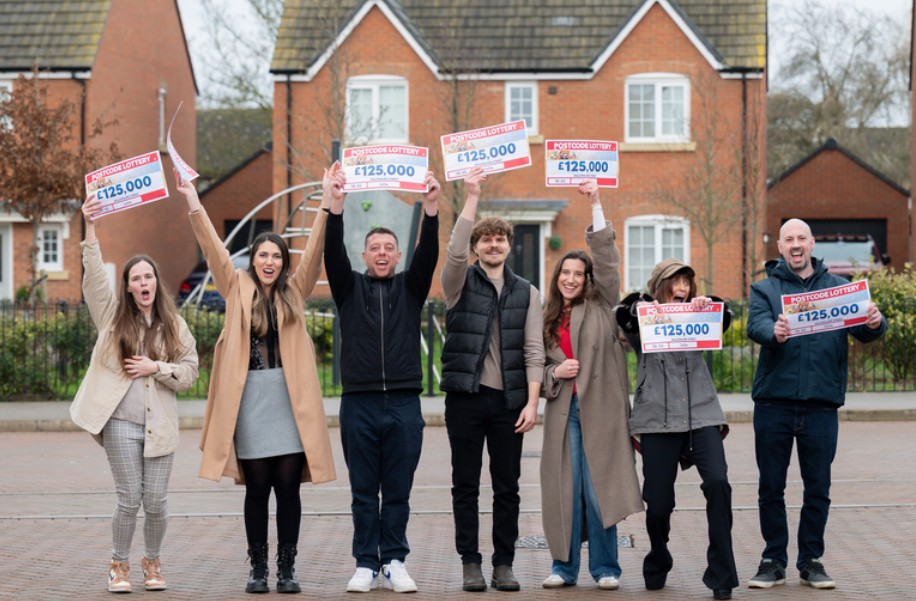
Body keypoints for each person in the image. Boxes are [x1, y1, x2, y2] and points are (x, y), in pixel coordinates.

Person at [174, 166, 336, 594]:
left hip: (289, 400)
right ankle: (258, 569)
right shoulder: (235, 286)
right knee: (257, 489)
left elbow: (316, 251)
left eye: (276, 256)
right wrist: (192, 198)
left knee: (288, 488)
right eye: (263, 255)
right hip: (250, 401)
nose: (269, 262)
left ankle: (287, 568)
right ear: (253, 259)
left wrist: (325, 202)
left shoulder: (295, 290)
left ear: (284, 262)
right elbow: (212, 247)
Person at [746, 218, 886, 590]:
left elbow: (865, 330)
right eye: (788, 239)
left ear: (812, 244)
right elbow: (755, 325)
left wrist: (875, 321)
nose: (795, 245)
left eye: (801, 239)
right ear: (779, 246)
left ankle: (811, 560)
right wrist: (772, 332)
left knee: (818, 488)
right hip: (774, 404)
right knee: (771, 487)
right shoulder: (764, 289)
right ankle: (773, 560)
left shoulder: (840, 289)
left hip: (821, 406)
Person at [70, 194, 199, 594]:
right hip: (121, 425)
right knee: (130, 499)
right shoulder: (111, 318)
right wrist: (90, 227)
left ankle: (152, 562)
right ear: (127, 287)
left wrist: (156, 367)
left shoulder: (173, 325)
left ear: (156, 283)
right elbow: (93, 278)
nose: (144, 283)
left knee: (156, 502)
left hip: (159, 427)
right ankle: (119, 565)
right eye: (136, 278)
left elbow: (191, 373)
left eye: (148, 277)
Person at [323, 166, 441, 593]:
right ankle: (364, 563)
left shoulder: (411, 288)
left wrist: (431, 209)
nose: (382, 253)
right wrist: (335, 205)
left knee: (397, 490)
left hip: (405, 404)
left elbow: (428, 253)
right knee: (361, 491)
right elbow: (330, 252)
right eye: (375, 247)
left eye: (390, 247)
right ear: (364, 255)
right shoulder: (348, 288)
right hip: (359, 404)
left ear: (397, 255)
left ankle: (393, 560)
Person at [440, 167, 545, 592]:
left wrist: (532, 403)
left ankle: (504, 563)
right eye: (486, 238)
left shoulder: (528, 292)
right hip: (465, 397)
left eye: (500, 238)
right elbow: (453, 253)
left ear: (509, 245)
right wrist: (472, 197)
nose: (494, 244)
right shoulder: (459, 281)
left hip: (509, 404)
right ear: (477, 246)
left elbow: (535, 350)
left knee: (508, 488)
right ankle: (470, 562)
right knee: (465, 485)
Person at [539, 180, 644, 590]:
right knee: (567, 491)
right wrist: (555, 374)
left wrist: (596, 202)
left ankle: (605, 569)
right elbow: (535, 365)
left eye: (577, 274)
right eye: (565, 272)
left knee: (599, 491)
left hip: (601, 412)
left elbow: (606, 259)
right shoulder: (546, 317)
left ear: (587, 280)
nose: (570, 279)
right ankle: (563, 568)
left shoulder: (603, 304)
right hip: (565, 413)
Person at [616, 259, 738, 601]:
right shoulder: (642, 320)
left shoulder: (701, 317)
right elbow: (622, 314)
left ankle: (722, 574)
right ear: (660, 287)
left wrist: (710, 304)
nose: (681, 289)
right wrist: (642, 305)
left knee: (718, 483)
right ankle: (659, 553)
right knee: (657, 503)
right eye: (674, 283)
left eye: (686, 283)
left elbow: (725, 316)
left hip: (702, 414)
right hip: (657, 418)